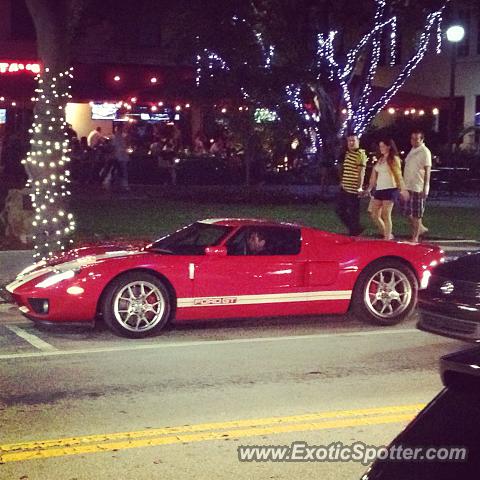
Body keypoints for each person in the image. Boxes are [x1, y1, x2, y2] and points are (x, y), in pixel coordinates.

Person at [367, 138, 409, 240]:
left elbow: (398, 175)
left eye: (383, 146)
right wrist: (369, 189)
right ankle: (387, 234)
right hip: (379, 190)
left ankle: (387, 238)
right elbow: (373, 177)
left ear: (389, 146)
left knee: (386, 214)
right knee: (374, 214)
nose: (381, 148)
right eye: (380, 146)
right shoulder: (380, 160)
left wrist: (403, 189)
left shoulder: (393, 159)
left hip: (390, 189)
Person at [402, 130, 432, 243]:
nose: (413, 141)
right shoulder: (412, 151)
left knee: (417, 214)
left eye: (416, 139)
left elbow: (427, 170)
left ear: (421, 139)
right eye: (412, 138)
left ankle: (415, 237)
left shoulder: (425, 152)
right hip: (408, 185)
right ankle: (420, 229)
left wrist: (426, 187)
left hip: (417, 186)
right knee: (407, 212)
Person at [335, 133, 367, 236]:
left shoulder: (360, 154)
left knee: (354, 213)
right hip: (344, 187)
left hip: (353, 189)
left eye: (353, 140)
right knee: (339, 210)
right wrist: (342, 182)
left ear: (358, 141)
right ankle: (355, 229)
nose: (351, 143)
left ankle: (354, 232)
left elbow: (361, 172)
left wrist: (359, 188)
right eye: (349, 141)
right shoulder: (347, 153)